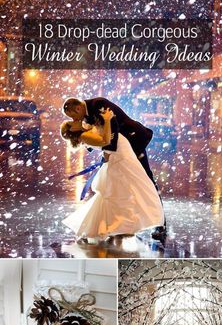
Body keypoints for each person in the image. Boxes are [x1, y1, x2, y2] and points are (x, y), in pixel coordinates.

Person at [62, 97, 166, 244]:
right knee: (120, 186)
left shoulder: (98, 104)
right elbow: (97, 136)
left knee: (146, 180)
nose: (74, 119)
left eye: (72, 115)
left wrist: (107, 152)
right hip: (119, 148)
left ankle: (159, 224)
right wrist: (90, 140)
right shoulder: (86, 116)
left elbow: (113, 126)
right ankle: (122, 223)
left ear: (77, 108)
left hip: (132, 141)